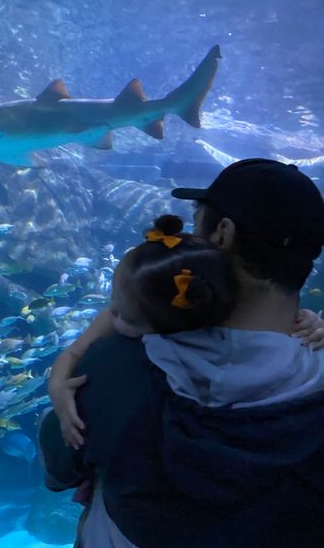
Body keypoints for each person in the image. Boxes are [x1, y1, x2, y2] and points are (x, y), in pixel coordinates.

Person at [39, 158, 324, 548]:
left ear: (222, 233)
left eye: (196, 222)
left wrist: (70, 360)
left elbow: (58, 469)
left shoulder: (118, 367)